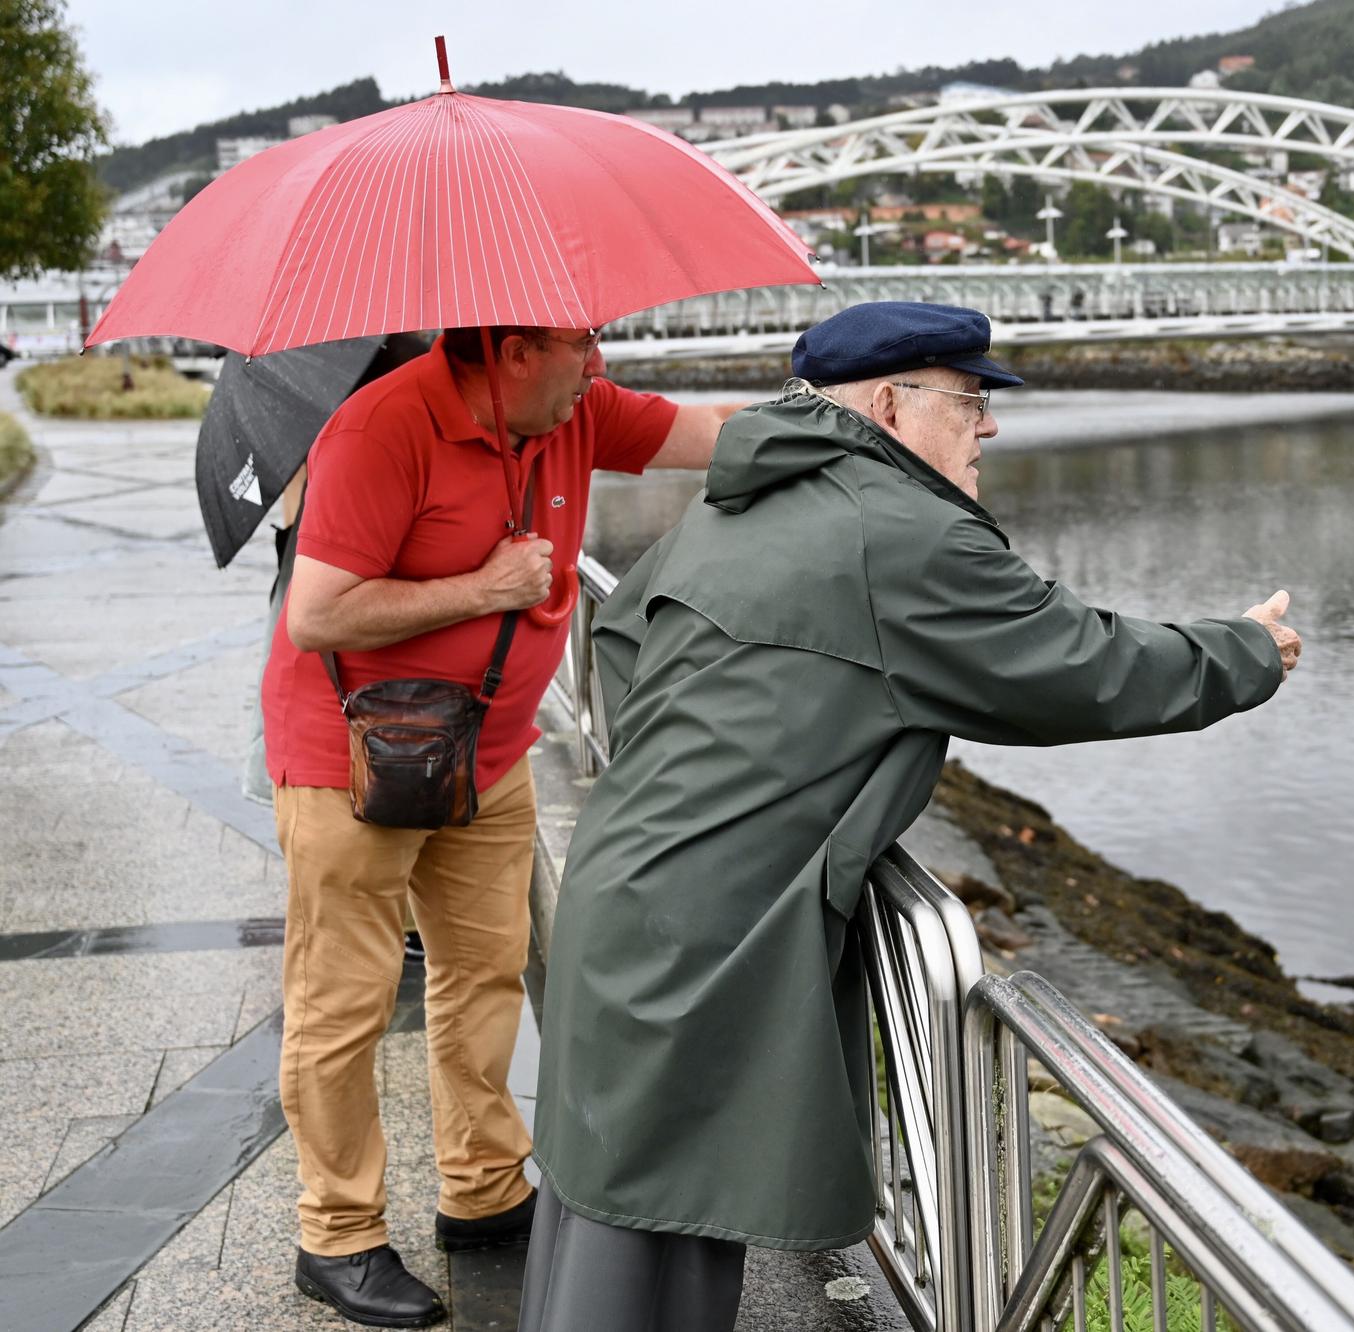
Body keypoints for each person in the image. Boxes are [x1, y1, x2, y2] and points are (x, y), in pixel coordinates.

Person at [522, 301, 1302, 1330]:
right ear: (891, 404)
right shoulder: (893, 529)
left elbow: (620, 644)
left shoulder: (749, 502)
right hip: (706, 938)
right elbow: (1079, 666)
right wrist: (1244, 651)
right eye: (969, 399)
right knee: (643, 1257)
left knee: (617, 1218)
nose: (987, 426)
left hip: (631, 893)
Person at [260, 323, 743, 1329]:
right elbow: (315, 613)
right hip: (355, 757)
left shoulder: (574, 410)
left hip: (489, 749)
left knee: (486, 969)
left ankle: (482, 1190)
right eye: (582, 344)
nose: (600, 367)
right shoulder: (380, 429)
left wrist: (874, 419)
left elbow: (715, 433)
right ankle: (336, 1234)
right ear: (513, 347)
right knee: (341, 1001)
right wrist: (484, 588)